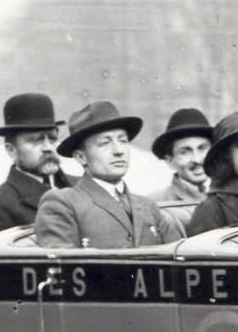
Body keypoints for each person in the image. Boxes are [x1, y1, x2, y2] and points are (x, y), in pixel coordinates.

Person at [31, 100, 186, 249]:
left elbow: (177, 261)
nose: (118, 151)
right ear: (81, 157)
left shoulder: (149, 207)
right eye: (105, 143)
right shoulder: (62, 203)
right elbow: (62, 267)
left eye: (123, 141)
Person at [0, 91, 70, 234]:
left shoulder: (81, 187)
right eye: (35, 140)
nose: (48, 147)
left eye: (52, 138)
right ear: (11, 150)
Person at [150, 107, 215, 208]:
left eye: (202, 148)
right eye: (185, 152)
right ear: (169, 161)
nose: (197, 160)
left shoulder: (233, 196)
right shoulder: (156, 204)